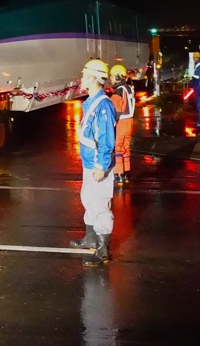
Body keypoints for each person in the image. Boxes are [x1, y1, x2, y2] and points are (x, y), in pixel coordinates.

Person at [70, 59, 117, 268]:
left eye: (84, 75)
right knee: (88, 198)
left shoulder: (103, 105)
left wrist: (101, 166)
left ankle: (102, 248)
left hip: (98, 165)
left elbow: (106, 139)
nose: (81, 79)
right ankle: (90, 238)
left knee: (100, 204)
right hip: (90, 162)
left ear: (93, 78)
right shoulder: (91, 102)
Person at [106, 64, 135, 187]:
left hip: (121, 123)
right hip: (130, 122)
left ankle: (118, 174)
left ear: (118, 77)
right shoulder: (129, 88)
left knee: (117, 148)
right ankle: (126, 172)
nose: (111, 79)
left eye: (112, 76)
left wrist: (110, 125)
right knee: (126, 147)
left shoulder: (117, 93)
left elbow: (116, 111)